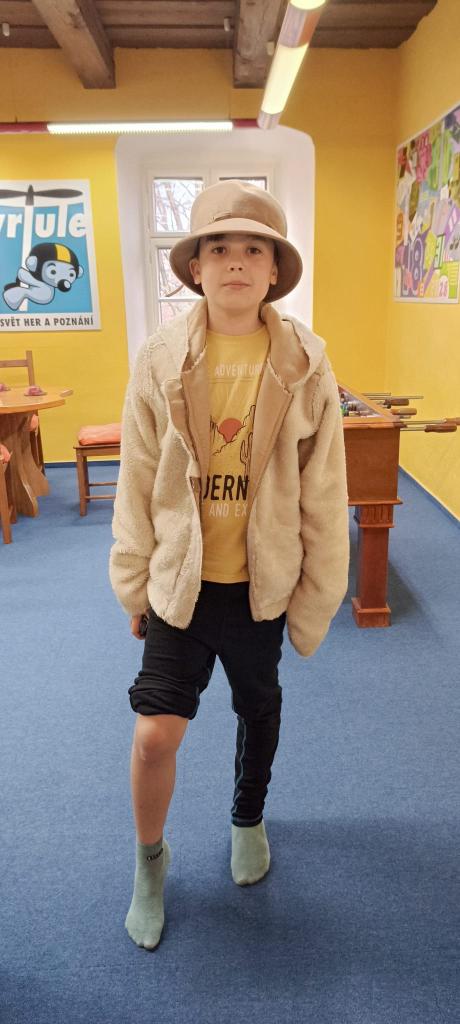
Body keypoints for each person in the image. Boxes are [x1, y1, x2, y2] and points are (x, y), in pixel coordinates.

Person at [109, 179, 350, 951]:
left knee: (258, 709)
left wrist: (316, 593)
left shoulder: (305, 361)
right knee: (154, 735)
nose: (236, 262)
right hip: (182, 583)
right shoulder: (160, 358)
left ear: (274, 270)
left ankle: (248, 817)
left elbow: (325, 489)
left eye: (254, 249)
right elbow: (137, 476)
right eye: (219, 248)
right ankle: (151, 861)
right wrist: (133, 579)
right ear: (196, 267)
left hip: (259, 586)